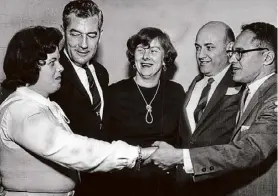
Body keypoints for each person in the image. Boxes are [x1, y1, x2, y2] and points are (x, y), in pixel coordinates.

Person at [0, 26, 157, 196]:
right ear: (29, 66)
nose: (61, 68)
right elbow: (73, 148)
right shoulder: (22, 110)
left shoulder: (40, 105)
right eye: (53, 62)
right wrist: (137, 154)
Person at [147, 22, 277, 196]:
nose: (231, 59)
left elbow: (250, 149)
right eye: (232, 53)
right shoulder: (249, 91)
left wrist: (180, 157)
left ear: (267, 58)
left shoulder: (274, 97)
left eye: (239, 53)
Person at [103, 27, 185, 196]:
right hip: (122, 185)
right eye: (141, 50)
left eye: (154, 51)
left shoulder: (176, 92)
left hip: (166, 185)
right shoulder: (114, 93)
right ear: (134, 57)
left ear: (165, 59)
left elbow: (181, 140)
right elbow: (104, 144)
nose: (146, 56)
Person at [49, 1, 109, 195]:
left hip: (100, 181)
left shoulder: (101, 73)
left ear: (100, 34)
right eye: (75, 34)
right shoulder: (50, 76)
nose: (84, 45)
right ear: (63, 31)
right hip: (66, 183)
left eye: (91, 35)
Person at [177, 21, 242, 195]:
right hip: (188, 183)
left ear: (229, 48)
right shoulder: (196, 83)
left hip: (222, 183)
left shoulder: (241, 83)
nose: (200, 54)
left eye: (209, 47)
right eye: (198, 47)